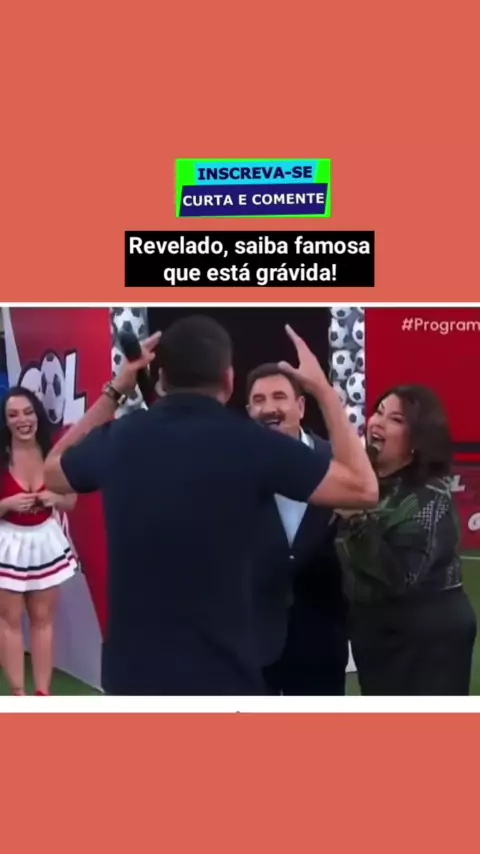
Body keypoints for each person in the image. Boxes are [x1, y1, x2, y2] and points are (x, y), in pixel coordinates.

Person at [43, 316, 378, 696]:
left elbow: (52, 471)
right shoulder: (253, 444)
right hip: (222, 676)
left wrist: (115, 390)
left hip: (134, 675)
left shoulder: (120, 438)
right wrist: (324, 391)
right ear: (229, 380)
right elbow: (364, 489)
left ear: (161, 379)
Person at [336, 385, 477, 696]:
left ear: (417, 440)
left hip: (426, 640)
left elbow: (400, 577)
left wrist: (355, 520)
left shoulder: (429, 497)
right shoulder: (366, 480)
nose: (378, 422)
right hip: (375, 631)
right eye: (379, 412)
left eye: (396, 419)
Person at [246, 363, 348, 695]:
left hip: (322, 640)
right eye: (259, 400)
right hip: (252, 641)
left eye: (279, 396)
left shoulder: (338, 463)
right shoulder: (232, 467)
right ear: (248, 412)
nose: (269, 408)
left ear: (301, 406)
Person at [0, 387, 78, 695]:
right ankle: (18, 695)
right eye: (13, 415)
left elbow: (70, 501)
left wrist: (54, 498)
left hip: (45, 542)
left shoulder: (54, 452)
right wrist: (7, 505)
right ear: (5, 421)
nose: (22, 420)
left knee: (43, 619)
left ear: (37, 415)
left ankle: (43, 695)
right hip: (7, 545)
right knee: (9, 620)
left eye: (28, 412)